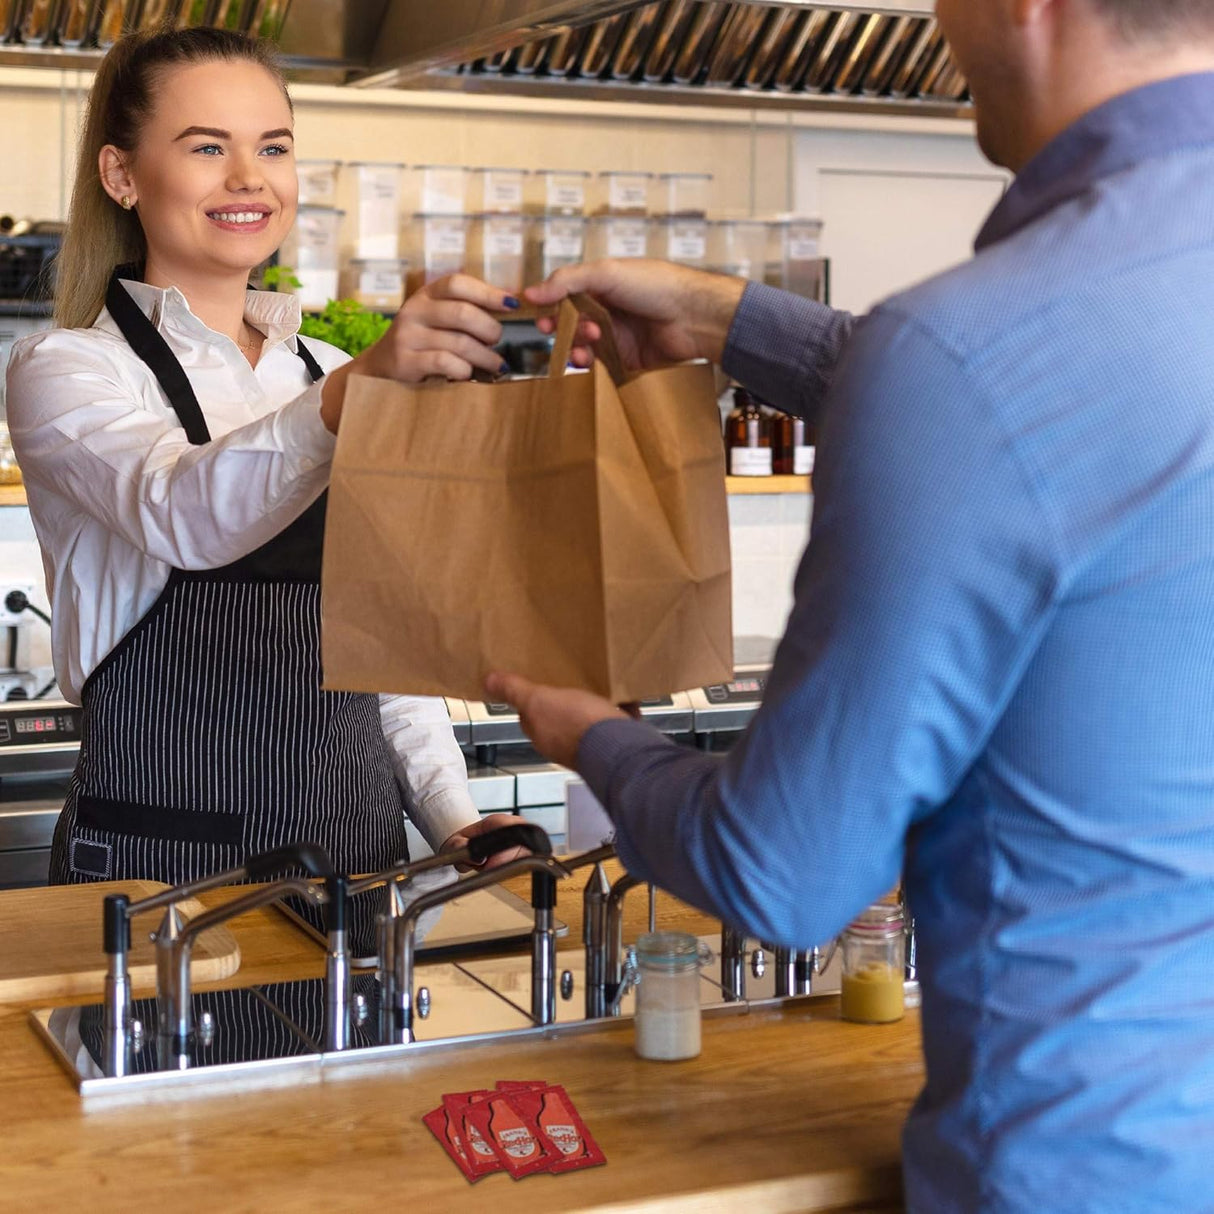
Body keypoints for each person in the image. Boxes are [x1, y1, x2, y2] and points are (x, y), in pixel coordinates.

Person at [487, 1, 1214, 1209]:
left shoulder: (966, 352)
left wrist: (588, 734)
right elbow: (1066, 411)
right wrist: (735, 321)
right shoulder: (1002, 350)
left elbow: (780, 870)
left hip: (1091, 1163)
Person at [4, 27, 527, 952]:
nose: (250, 177)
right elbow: (184, 511)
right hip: (162, 876)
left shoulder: (324, 370)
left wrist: (455, 818)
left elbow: (383, 652)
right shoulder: (67, 369)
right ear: (122, 175)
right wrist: (356, 396)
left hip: (358, 863)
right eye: (208, 147)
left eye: (272, 147)